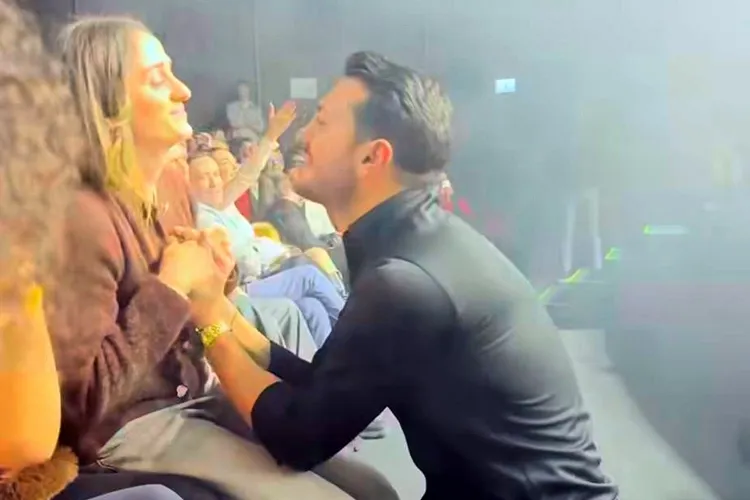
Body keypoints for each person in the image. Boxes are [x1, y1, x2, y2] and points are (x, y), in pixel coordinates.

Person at [187, 51, 619, 499]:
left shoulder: (406, 280)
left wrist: (206, 318)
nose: (304, 134)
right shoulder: (415, 244)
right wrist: (228, 316)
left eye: (322, 121)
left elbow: (298, 436)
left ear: (372, 157)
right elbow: (321, 387)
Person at [50, 16, 393, 500]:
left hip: (194, 392)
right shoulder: (78, 217)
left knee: (374, 488)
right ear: (108, 103)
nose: (184, 90)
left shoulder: (172, 184)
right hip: (128, 426)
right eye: (158, 78)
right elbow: (80, 402)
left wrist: (216, 276)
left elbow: (195, 304)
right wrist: (171, 287)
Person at [188, 152, 344, 347]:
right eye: (204, 177)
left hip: (263, 273)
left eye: (216, 174)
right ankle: (354, 333)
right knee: (308, 275)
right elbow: (246, 264)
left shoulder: (223, 205)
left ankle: (334, 360)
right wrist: (270, 255)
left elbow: (247, 176)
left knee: (312, 307)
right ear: (189, 185)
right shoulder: (203, 218)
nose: (214, 182)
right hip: (242, 290)